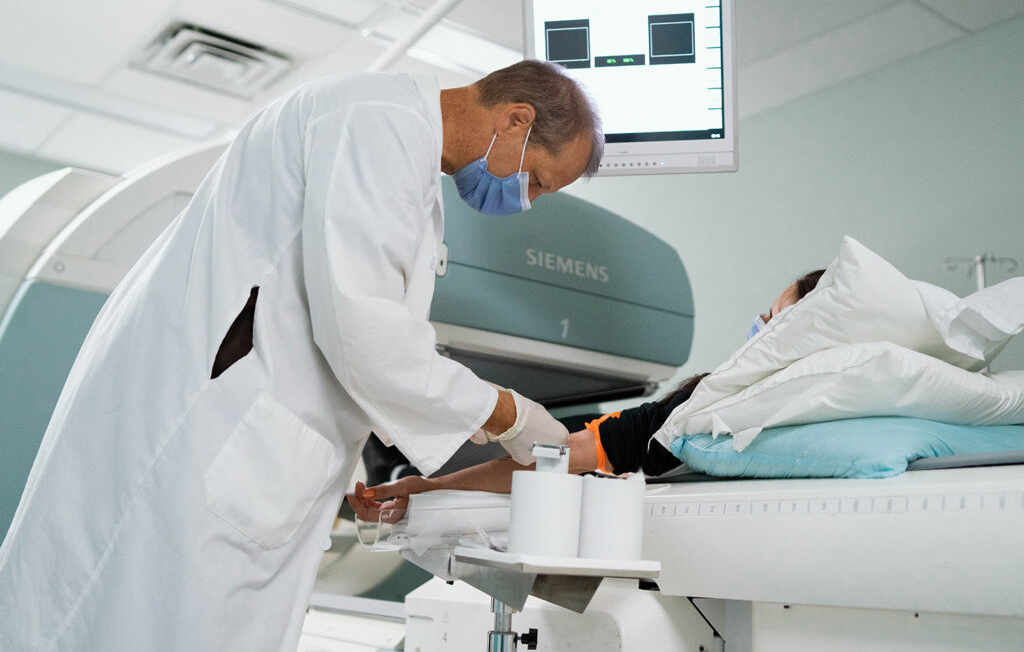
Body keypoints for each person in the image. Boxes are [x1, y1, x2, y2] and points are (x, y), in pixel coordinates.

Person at [0, 60, 603, 651]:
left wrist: (348, 467)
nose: (525, 200)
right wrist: (513, 416)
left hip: (239, 449)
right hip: (206, 449)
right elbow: (369, 339)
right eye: (537, 180)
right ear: (516, 120)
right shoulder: (375, 124)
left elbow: (310, 331)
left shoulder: (397, 146)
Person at [348, 270, 826, 521]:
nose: (759, 325)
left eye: (772, 316)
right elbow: (553, 460)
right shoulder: (695, 407)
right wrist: (428, 489)